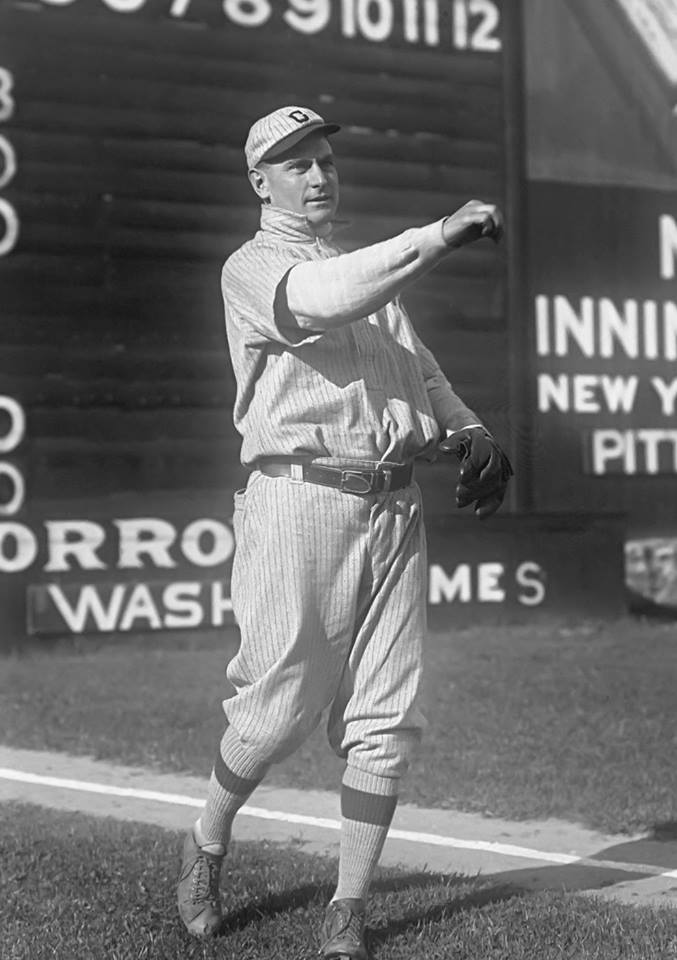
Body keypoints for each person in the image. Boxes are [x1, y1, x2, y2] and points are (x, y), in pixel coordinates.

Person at [177, 105, 512, 959]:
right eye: (294, 164)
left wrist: (468, 429)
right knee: (274, 711)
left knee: (387, 716)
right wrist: (434, 236)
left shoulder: (359, 271)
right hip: (300, 499)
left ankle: (347, 908)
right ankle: (207, 840)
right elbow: (323, 301)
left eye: (324, 159)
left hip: (394, 503)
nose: (318, 174)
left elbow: (416, 368)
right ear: (260, 182)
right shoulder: (252, 269)